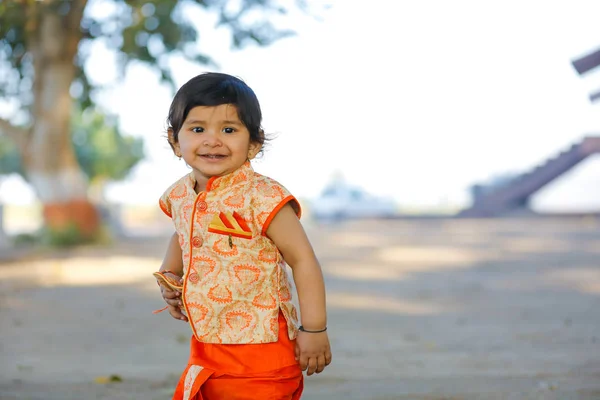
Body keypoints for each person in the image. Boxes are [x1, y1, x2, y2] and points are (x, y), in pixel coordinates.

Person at [153, 72, 332, 400]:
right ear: (175, 141)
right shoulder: (179, 194)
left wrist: (314, 328)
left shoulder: (262, 196)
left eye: (229, 130)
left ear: (254, 143)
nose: (212, 140)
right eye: (197, 129)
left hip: (262, 348)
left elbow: (303, 259)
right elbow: (183, 233)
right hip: (206, 344)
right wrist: (170, 273)